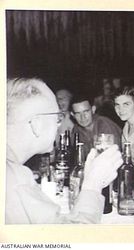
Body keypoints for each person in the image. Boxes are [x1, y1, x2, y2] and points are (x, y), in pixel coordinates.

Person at [6, 78, 123, 224]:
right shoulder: (16, 181)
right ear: (36, 124)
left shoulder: (12, 172)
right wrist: (92, 185)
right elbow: (73, 241)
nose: (59, 125)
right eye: (57, 117)